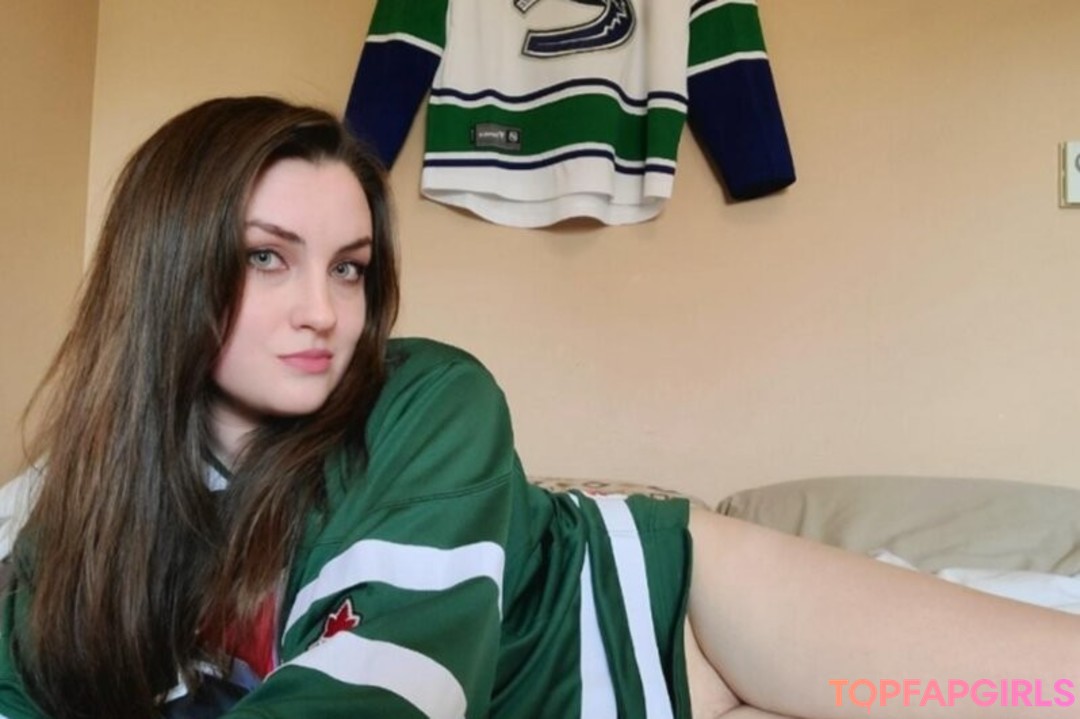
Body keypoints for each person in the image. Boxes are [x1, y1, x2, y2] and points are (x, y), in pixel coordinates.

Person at [0, 96, 1077, 719]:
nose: (323, 310)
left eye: (350, 267)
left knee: (1040, 689)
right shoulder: (84, 514)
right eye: (267, 257)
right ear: (165, 267)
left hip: (683, 614)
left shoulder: (427, 394)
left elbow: (381, 689)